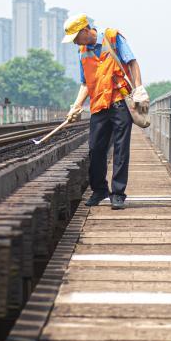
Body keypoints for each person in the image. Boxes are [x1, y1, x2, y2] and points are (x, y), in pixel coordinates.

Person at [63, 14, 149, 210]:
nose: (75, 42)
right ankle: (99, 190)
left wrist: (139, 88)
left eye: (76, 37)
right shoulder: (83, 51)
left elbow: (132, 62)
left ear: (85, 30)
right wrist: (76, 106)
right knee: (95, 148)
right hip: (98, 104)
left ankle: (118, 193)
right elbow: (86, 82)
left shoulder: (112, 37)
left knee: (120, 148)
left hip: (119, 101)